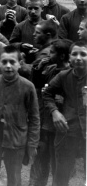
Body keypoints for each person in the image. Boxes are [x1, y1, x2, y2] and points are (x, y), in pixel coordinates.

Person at [0, 45, 40, 186]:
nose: (8, 66)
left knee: (14, 176)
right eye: (4, 62)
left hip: (16, 137)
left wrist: (32, 144)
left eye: (12, 62)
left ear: (20, 64)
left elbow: (34, 118)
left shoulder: (28, 86)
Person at [43, 41, 86, 186]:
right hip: (69, 130)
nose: (78, 58)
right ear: (69, 57)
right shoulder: (63, 76)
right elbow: (47, 94)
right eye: (74, 54)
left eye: (83, 54)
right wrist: (55, 112)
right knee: (61, 175)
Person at [29, 39, 72, 186]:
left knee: (58, 165)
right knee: (40, 161)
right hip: (45, 123)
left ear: (62, 56)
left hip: (60, 127)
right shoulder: (50, 69)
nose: (48, 54)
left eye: (52, 52)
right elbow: (38, 85)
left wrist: (58, 100)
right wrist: (38, 69)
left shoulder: (70, 74)